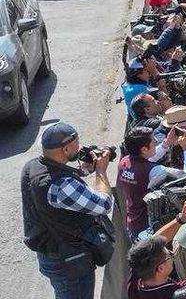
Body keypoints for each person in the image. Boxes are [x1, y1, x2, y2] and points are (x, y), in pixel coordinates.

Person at [21, 123, 115, 299]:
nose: (79, 147)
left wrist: (85, 169)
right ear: (65, 149)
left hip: (50, 253)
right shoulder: (61, 186)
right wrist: (101, 171)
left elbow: (60, 188)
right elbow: (104, 204)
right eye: (76, 144)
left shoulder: (33, 166)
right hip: (69, 261)